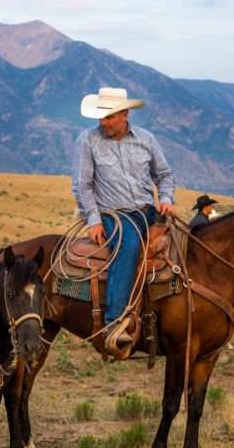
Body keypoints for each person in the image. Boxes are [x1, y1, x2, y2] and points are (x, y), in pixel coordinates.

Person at [72, 87, 176, 348]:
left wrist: (166, 199)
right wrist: (93, 220)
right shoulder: (87, 140)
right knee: (128, 247)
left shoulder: (146, 139)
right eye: (101, 117)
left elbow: (164, 175)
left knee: (180, 245)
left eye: (108, 117)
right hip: (115, 214)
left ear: (125, 114)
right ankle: (114, 322)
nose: (103, 122)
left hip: (149, 211)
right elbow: (82, 184)